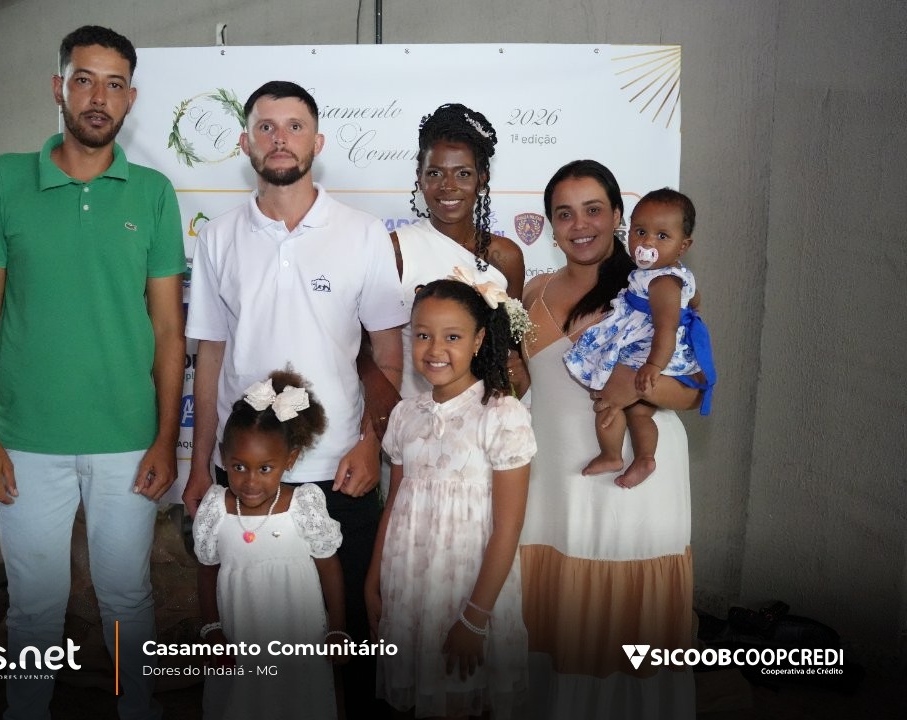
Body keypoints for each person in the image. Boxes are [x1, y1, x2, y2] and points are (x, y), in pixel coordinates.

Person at [0, 25, 184, 720]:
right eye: (84, 79)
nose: (98, 97)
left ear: (130, 99)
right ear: (59, 87)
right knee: (34, 605)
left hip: (128, 438)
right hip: (26, 438)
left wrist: (165, 438)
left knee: (127, 597)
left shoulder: (153, 192)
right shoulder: (4, 178)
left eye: (115, 85)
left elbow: (169, 329)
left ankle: (134, 709)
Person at [184, 80, 407, 719]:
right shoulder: (218, 238)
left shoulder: (363, 234)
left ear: (318, 140)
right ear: (245, 142)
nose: (280, 138)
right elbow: (210, 359)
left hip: (341, 471)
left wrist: (371, 443)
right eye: (266, 126)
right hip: (245, 473)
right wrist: (199, 469)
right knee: (245, 639)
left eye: (294, 126)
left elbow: (387, 356)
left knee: (348, 638)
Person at [516, 160, 701, 719]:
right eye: (564, 213)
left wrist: (635, 386)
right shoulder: (532, 290)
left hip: (631, 481)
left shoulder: (653, 287)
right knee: (555, 624)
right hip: (551, 484)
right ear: (550, 225)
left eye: (594, 210)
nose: (580, 225)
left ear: (619, 215)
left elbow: (692, 390)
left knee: (623, 628)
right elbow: (524, 381)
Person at [367, 277, 537, 719]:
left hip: (469, 589)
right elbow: (395, 502)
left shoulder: (501, 414)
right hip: (408, 581)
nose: (435, 349)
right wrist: (373, 580)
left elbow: (508, 526)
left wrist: (475, 617)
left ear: (479, 340)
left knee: (463, 697)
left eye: (453, 337)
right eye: (423, 335)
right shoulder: (405, 414)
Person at [193, 369, 346, 720]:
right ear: (223, 456)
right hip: (239, 634)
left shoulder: (304, 504)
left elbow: (329, 567)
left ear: (289, 460)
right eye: (238, 467)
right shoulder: (215, 508)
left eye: (265, 468)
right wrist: (212, 630)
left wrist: (338, 628)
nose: (250, 481)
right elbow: (206, 571)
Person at [563, 188, 716, 488]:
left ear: (683, 245)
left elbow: (666, 329)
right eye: (640, 232)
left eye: (662, 236)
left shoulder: (664, 282)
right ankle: (645, 458)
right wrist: (690, 304)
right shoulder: (665, 274)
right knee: (639, 412)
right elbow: (694, 298)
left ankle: (611, 454)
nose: (647, 243)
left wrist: (653, 366)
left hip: (651, 352)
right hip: (647, 348)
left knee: (608, 396)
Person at [394, 102, 525, 400]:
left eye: (463, 173)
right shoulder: (396, 248)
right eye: (435, 173)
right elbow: (372, 343)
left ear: (482, 178)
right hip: (411, 408)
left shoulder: (506, 257)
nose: (448, 186)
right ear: (419, 176)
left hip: (481, 413)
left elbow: (510, 348)